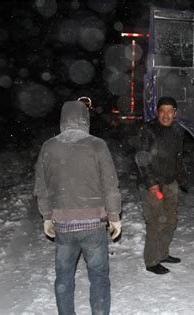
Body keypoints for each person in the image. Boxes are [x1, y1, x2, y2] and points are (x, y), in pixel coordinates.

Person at [34, 100, 122, 315]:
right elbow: (109, 184)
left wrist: (47, 216)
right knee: (99, 277)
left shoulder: (49, 146)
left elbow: (41, 186)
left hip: (63, 225)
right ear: (86, 120)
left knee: (64, 278)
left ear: (63, 120)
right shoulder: (97, 145)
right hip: (93, 225)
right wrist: (114, 216)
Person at [135, 96, 188, 275]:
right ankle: (151, 261)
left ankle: (163, 253)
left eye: (170, 111)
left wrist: (181, 177)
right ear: (157, 112)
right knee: (156, 222)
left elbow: (178, 156)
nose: (166, 115)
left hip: (170, 183)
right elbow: (142, 159)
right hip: (152, 186)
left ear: (175, 113)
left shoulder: (178, 130)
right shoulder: (148, 130)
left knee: (171, 221)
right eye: (162, 111)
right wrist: (151, 184)